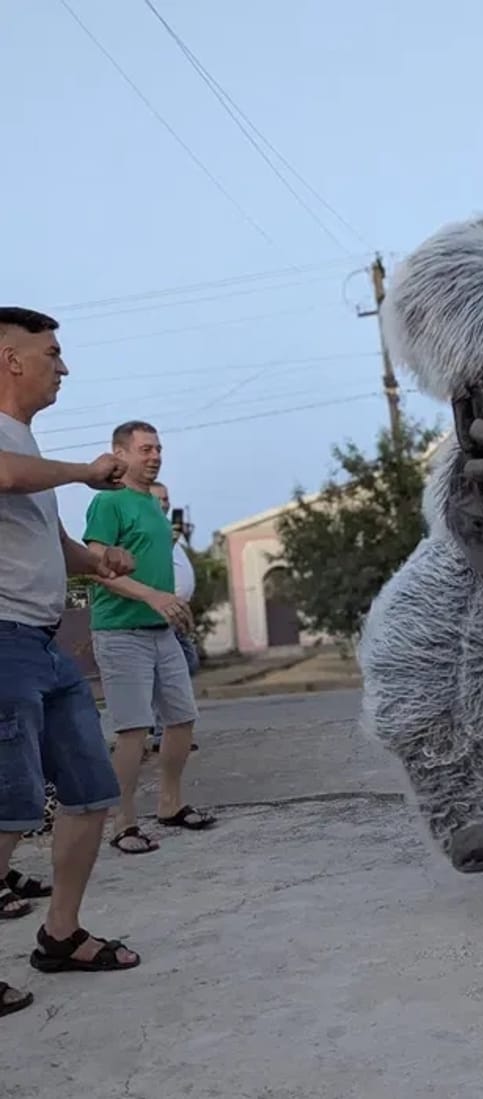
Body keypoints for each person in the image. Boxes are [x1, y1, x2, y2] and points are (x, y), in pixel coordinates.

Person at [0, 306, 142, 1016]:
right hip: (1, 643)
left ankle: (60, 935)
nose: (64, 365)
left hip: (43, 643)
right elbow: (6, 475)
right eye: (52, 352)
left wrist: (97, 561)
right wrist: (86, 471)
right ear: (11, 360)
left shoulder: (24, 444)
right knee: (9, 805)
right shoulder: (9, 448)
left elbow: (48, 537)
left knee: (88, 794)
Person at [83, 420, 215, 856]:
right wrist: (152, 597)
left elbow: (160, 571)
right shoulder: (109, 503)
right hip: (122, 633)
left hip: (162, 631)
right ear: (119, 454)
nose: (155, 456)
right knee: (134, 731)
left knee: (181, 720)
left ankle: (170, 804)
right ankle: (123, 823)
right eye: (145, 449)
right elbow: (96, 567)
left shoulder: (153, 508)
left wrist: (175, 604)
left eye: (158, 448)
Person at [148, 481, 200, 753]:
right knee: (169, 672)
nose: (165, 504)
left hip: (176, 613)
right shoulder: (155, 534)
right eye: (159, 499)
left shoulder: (166, 532)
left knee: (183, 667)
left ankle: (164, 727)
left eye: (167, 498)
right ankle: (162, 731)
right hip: (163, 613)